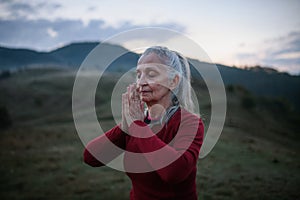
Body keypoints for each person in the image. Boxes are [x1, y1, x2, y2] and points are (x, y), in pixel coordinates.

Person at [83, 46, 204, 200]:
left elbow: (174, 172)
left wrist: (138, 126)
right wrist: (126, 126)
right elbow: (90, 158)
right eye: (138, 75)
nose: (141, 82)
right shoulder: (137, 123)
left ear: (173, 81)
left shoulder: (190, 123)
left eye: (151, 75)